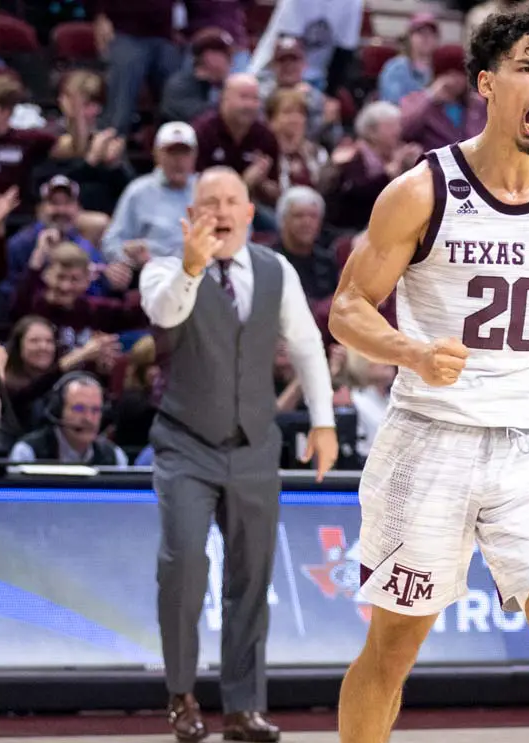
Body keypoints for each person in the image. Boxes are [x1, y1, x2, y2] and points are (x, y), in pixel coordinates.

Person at [327, 7, 529, 743]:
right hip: (430, 441)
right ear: (489, 83)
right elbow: (346, 308)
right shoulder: (422, 191)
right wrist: (411, 351)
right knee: (392, 651)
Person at [139, 166, 338, 742]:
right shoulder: (164, 268)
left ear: (251, 213)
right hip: (184, 443)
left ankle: (242, 708)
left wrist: (322, 423)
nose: (221, 211)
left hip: (254, 446)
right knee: (183, 565)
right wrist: (193, 267)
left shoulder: (277, 271)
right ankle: (181, 697)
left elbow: (305, 345)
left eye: (232, 202)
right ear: (191, 216)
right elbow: (165, 316)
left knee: (251, 580)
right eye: (209, 203)